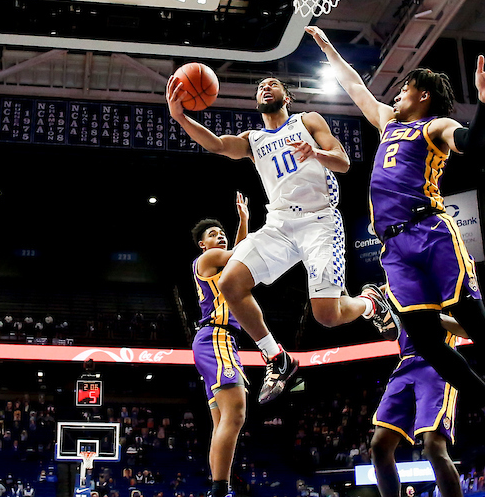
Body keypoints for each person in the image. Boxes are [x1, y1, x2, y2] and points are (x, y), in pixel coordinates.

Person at [308, 27, 485, 492]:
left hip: (431, 233)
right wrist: (328, 50)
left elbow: (474, 141)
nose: (396, 94)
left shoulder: (434, 127)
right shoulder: (388, 122)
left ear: (421, 95)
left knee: (477, 327)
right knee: (427, 342)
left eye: (404, 88)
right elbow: (354, 85)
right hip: (393, 248)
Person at [167, 76, 396, 403]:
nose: (265, 87)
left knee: (327, 316)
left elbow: (343, 162)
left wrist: (316, 153)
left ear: (286, 96)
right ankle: (277, 358)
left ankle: (370, 302)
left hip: (319, 221)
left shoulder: (307, 121)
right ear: (256, 101)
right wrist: (180, 117)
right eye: (260, 86)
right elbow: (217, 144)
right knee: (230, 283)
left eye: (272, 84)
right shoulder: (253, 139)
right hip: (279, 224)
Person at [369, 313, 484, 497]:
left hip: (438, 360)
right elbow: (390, 333)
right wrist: (378, 315)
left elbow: (469, 328)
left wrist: (426, 316)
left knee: (433, 447)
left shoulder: (445, 289)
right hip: (406, 364)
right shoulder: (393, 292)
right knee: (379, 446)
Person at [191, 194, 258, 497]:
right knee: (237, 413)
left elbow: (239, 254)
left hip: (218, 342)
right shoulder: (207, 259)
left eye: (222, 232)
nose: (219, 235)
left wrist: (243, 222)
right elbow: (242, 254)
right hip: (216, 338)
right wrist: (245, 227)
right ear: (203, 245)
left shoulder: (222, 266)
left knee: (222, 424)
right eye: (213, 234)